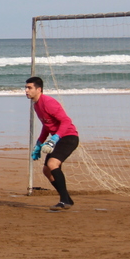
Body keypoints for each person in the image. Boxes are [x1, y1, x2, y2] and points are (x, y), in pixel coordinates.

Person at [25, 76, 80, 212]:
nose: (26, 91)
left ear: (39, 89)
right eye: (25, 88)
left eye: (29, 88)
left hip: (69, 137)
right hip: (59, 138)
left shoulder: (48, 102)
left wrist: (55, 138)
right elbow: (46, 125)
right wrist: (39, 143)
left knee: (52, 164)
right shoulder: (36, 105)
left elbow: (66, 121)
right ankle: (67, 199)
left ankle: (64, 200)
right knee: (47, 171)